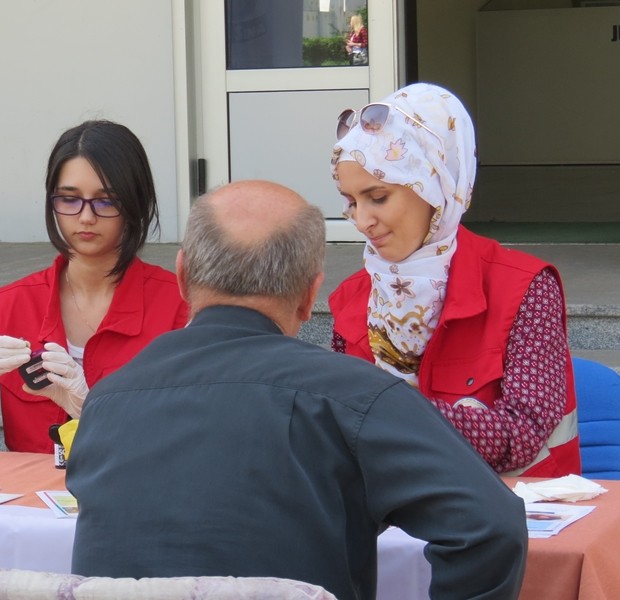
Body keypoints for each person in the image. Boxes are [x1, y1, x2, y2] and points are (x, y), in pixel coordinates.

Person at [67, 180, 527, 600]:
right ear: (310, 296)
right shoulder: (356, 397)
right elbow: (491, 526)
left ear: (182, 276)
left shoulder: (106, 402)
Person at [329, 82, 580, 477]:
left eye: (378, 197)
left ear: (437, 184)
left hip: (513, 509)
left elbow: (523, 435)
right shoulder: (352, 297)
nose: (362, 221)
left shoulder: (524, 287)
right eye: (350, 201)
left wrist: (391, 411)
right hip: (390, 509)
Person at [0, 120, 189, 453]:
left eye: (106, 201)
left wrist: (89, 406)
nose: (86, 217)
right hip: (31, 487)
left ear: (136, 203)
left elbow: (192, 436)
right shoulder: (16, 303)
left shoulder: (178, 307)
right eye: (69, 199)